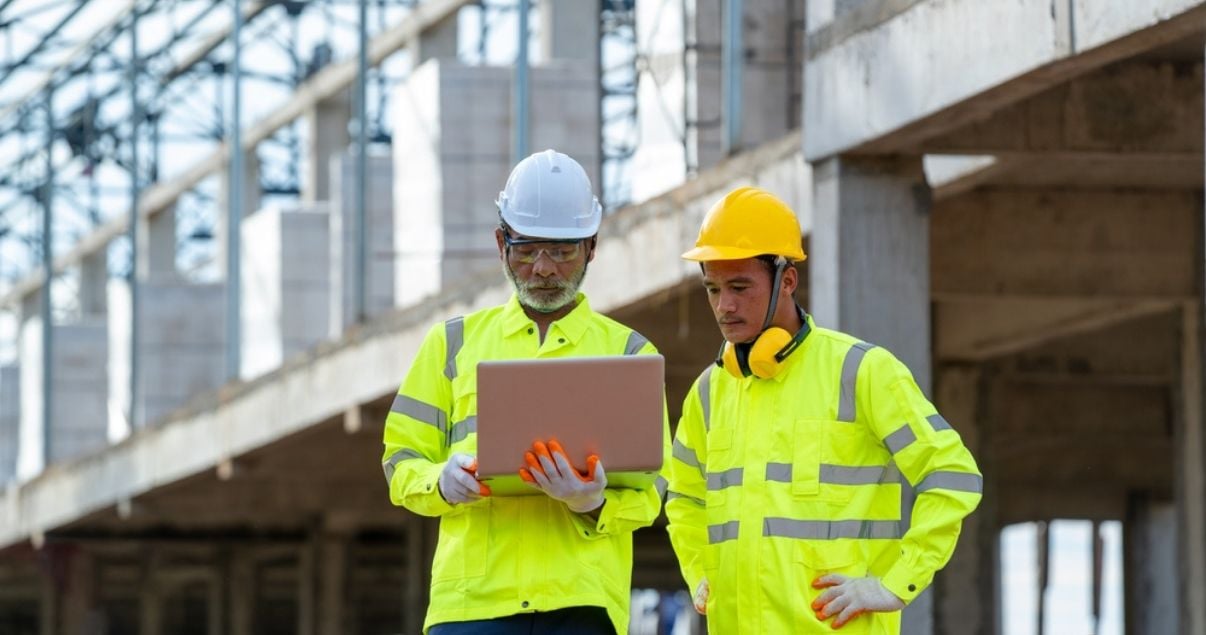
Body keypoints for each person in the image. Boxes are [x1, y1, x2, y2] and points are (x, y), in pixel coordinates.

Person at [664, 186, 982, 633]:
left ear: (787, 280)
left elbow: (953, 476)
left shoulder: (862, 372)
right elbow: (683, 498)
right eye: (713, 289)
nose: (724, 305)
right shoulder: (709, 391)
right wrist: (699, 569)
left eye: (739, 287)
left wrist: (895, 583)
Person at [382, 149, 670, 635]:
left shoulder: (629, 354)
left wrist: (594, 503)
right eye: (527, 249)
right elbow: (399, 462)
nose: (543, 269)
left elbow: (653, 490)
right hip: (471, 606)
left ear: (592, 247)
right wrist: (441, 483)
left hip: (580, 604)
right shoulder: (451, 345)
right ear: (501, 243)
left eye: (562, 251)